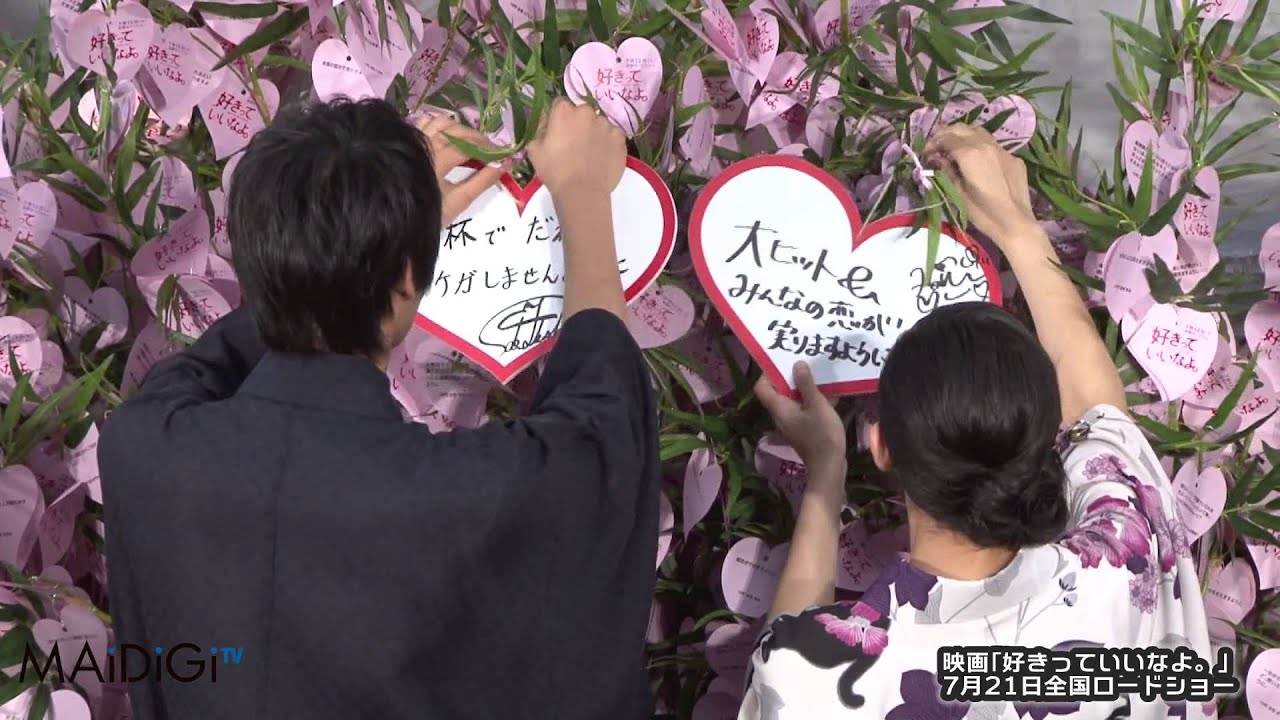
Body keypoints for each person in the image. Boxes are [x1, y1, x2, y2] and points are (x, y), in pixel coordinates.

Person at [98, 98, 660, 719]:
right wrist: (583, 194)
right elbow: (601, 433)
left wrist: (357, 251)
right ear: (406, 284)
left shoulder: (143, 447)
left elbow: (210, 365)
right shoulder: (468, 496)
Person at [740, 125, 1214, 719]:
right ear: (1042, 443)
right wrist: (1018, 226)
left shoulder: (813, 674)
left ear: (881, 446)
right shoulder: (1119, 565)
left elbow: (787, 675)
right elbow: (1099, 411)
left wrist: (825, 474)